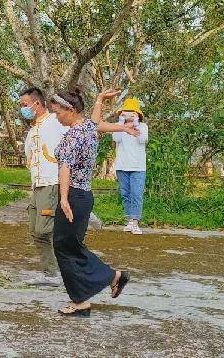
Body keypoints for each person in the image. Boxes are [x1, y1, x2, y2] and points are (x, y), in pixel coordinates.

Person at [49, 88, 134, 316]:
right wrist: (100, 102)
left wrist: (64, 199)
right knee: (71, 246)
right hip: (84, 196)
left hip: (74, 195)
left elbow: (65, 167)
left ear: (71, 110)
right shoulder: (85, 128)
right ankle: (82, 298)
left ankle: (102, 284)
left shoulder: (75, 135)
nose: (57, 117)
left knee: (65, 247)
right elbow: (97, 124)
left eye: (58, 113)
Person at [20, 87, 68, 287]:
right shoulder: (33, 130)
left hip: (52, 183)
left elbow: (70, 147)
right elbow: (29, 157)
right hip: (37, 185)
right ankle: (50, 274)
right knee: (35, 230)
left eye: (24, 105)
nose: (22, 109)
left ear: (36, 104)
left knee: (44, 229)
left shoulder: (55, 123)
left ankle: (76, 216)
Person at [112, 98, 149, 235]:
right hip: (122, 165)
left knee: (136, 194)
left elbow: (142, 140)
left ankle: (135, 222)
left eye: (132, 112)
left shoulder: (143, 127)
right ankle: (129, 220)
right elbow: (116, 139)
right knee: (125, 194)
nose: (128, 115)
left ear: (138, 114)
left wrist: (136, 124)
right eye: (126, 112)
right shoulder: (118, 126)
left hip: (138, 166)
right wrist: (122, 123)